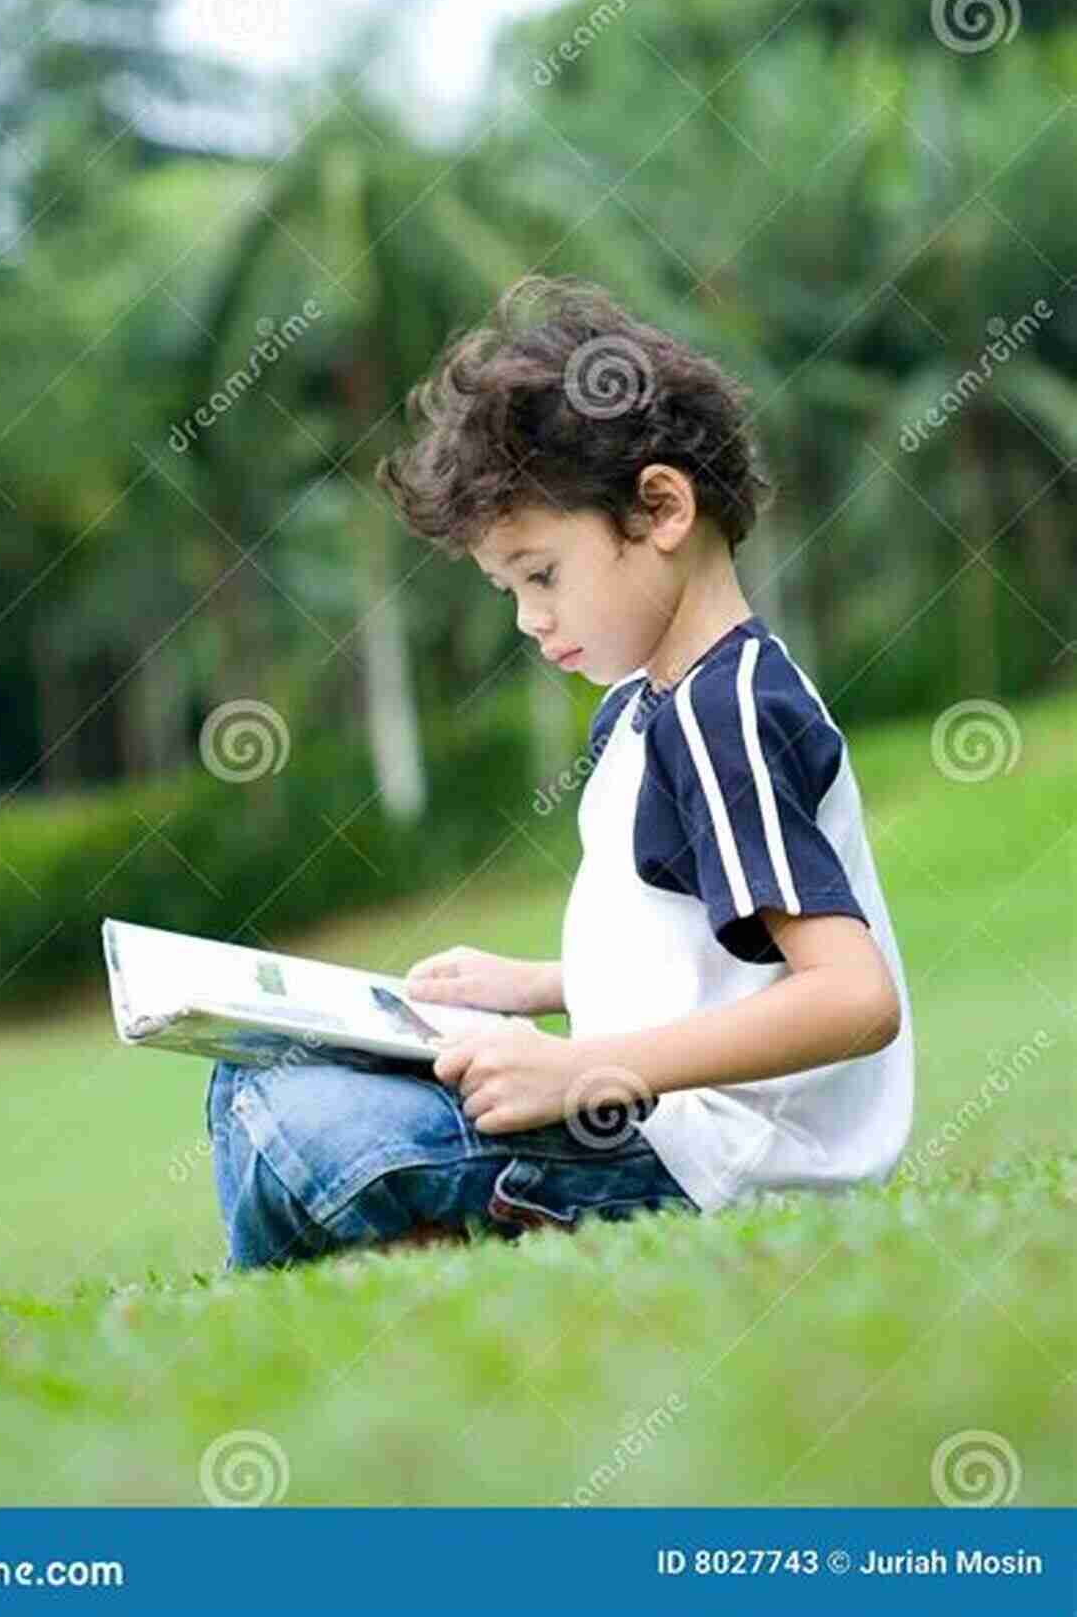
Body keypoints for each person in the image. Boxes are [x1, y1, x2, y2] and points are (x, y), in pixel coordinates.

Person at [206, 276, 913, 1273]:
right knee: (257, 1072)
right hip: (651, 1119)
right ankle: (408, 1245)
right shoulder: (646, 705)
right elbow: (713, 954)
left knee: (291, 1122)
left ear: (661, 506)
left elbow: (850, 998)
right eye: (509, 589)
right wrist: (540, 985)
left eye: (540, 575)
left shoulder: (728, 713)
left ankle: (397, 1256)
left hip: (718, 1160)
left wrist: (580, 1068)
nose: (529, 619)